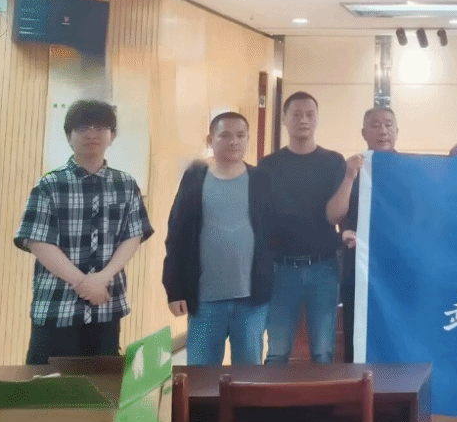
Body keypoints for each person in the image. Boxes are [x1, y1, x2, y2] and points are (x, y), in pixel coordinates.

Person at [14, 99, 154, 364]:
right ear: (69, 137)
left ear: (112, 136)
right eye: (83, 128)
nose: (92, 134)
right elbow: (38, 242)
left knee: (102, 384)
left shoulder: (125, 184)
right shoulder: (49, 184)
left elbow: (133, 236)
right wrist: (83, 282)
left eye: (100, 128)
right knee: (48, 384)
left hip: (106, 305)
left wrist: (102, 278)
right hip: (57, 306)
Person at [163, 112, 274, 365]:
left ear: (247, 139)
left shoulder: (261, 180)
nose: (234, 141)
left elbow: (274, 234)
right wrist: (174, 289)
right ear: (210, 140)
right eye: (225, 135)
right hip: (205, 301)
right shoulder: (195, 179)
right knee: (201, 375)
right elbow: (177, 235)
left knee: (248, 377)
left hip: (251, 301)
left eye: (240, 135)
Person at [258, 92, 349, 365]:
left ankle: (323, 396)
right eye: (296, 114)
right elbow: (261, 217)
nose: (303, 120)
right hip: (281, 268)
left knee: (323, 351)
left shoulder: (334, 161)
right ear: (284, 119)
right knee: (277, 351)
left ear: (317, 119)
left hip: (324, 267)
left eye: (309, 114)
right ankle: (272, 396)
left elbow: (337, 213)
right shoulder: (269, 165)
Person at [337, 107, 400, 362]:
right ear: (364, 133)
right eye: (375, 125)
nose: (383, 131)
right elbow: (336, 214)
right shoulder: (350, 169)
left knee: (397, 336)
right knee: (358, 336)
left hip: (398, 270)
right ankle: (358, 387)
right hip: (358, 269)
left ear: (397, 131)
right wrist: (343, 232)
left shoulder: (410, 170)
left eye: (388, 124)